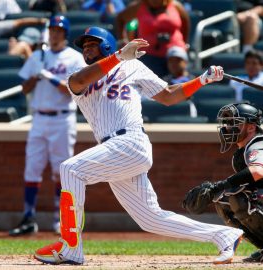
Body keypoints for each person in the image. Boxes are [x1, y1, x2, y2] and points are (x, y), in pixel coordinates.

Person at [34, 26, 243, 265]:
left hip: (130, 141)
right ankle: (224, 235)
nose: (87, 49)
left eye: (93, 44)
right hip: (114, 149)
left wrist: (202, 80)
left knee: (70, 170)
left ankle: (70, 247)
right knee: (150, 219)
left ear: (107, 46)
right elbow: (79, 81)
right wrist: (119, 56)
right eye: (84, 46)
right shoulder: (80, 71)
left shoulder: (132, 66)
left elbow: (168, 95)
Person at [8, 15, 86, 236]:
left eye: (59, 31)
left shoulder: (74, 58)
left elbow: (72, 90)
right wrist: (36, 76)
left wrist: (49, 76)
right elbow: (24, 89)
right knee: (32, 169)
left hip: (63, 118)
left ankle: (60, 220)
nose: (54, 34)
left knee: (60, 171)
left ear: (65, 34)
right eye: (52, 30)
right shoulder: (37, 56)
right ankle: (28, 217)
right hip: (39, 118)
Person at [184, 102, 263, 262]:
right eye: (227, 122)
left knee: (240, 198)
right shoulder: (241, 152)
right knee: (223, 198)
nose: (228, 127)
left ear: (251, 127)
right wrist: (219, 189)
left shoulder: (258, 144)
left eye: (235, 123)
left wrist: (219, 185)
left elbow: (258, 171)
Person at [116, 0, 190, 58]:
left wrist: (184, 42)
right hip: (147, 55)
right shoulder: (139, 6)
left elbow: (185, 21)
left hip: (175, 54)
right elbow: (120, 18)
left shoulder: (175, 5)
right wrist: (122, 40)